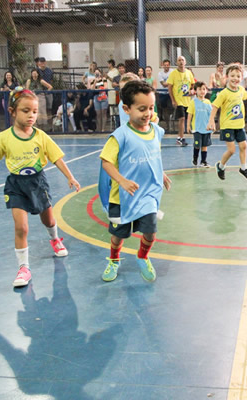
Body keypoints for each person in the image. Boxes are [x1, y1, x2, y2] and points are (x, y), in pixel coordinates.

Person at [0, 87, 80, 287]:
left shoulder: (41, 136)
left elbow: (57, 159)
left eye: (34, 111)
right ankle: (24, 268)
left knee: (48, 219)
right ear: (12, 111)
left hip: (38, 182)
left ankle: (55, 239)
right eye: (25, 110)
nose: (31, 115)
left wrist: (70, 177)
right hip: (15, 185)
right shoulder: (3, 138)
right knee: (21, 227)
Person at [98, 80, 172, 282]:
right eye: (142, 109)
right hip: (122, 197)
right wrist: (121, 181)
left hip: (147, 195)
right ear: (126, 109)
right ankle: (114, 260)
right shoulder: (120, 136)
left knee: (150, 231)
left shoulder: (156, 131)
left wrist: (161, 173)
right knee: (118, 235)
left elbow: (153, 156)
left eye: (150, 107)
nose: (148, 113)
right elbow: (106, 162)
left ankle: (143, 256)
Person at [207, 64, 247, 181]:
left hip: (239, 125)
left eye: (238, 76)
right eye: (232, 75)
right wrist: (211, 121)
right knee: (231, 150)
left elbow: (246, 96)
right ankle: (220, 166)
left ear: (241, 78)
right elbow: (214, 106)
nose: (235, 78)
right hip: (227, 126)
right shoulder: (224, 93)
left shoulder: (241, 90)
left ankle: (243, 168)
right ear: (227, 77)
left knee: (244, 146)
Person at [167, 55, 195, 146]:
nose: (181, 62)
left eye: (182, 60)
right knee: (182, 118)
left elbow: (192, 84)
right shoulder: (173, 74)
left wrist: (191, 90)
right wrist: (173, 100)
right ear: (176, 63)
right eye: (179, 60)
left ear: (185, 62)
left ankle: (180, 137)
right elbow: (170, 87)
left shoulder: (189, 73)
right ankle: (181, 138)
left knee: (186, 119)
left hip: (187, 101)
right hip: (179, 101)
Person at [187, 81, 213, 167]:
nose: (202, 91)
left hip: (206, 129)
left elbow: (211, 115)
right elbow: (190, 115)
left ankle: (203, 161)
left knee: (205, 145)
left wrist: (212, 125)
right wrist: (188, 126)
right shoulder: (193, 102)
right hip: (197, 128)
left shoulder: (208, 102)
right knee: (197, 145)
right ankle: (195, 158)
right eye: (200, 89)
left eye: (204, 89)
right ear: (195, 91)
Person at [157, 59, 174, 132]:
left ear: (169, 65)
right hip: (162, 94)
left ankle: (170, 124)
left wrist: (170, 83)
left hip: (171, 93)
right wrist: (170, 83)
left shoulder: (173, 72)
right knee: (164, 109)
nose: (166, 66)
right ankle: (167, 125)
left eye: (167, 65)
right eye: (165, 65)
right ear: (163, 65)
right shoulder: (160, 74)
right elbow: (163, 84)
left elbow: (174, 82)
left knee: (171, 108)